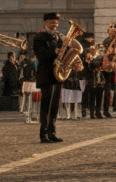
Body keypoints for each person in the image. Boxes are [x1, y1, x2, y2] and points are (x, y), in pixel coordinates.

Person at [33, 12, 82, 144]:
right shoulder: (39, 37)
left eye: (55, 22)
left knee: (54, 105)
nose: (54, 24)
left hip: (57, 75)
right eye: (51, 22)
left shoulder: (59, 36)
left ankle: (52, 132)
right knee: (46, 105)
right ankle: (43, 134)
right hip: (46, 74)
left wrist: (75, 61)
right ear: (45, 23)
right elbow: (40, 55)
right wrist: (54, 51)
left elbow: (67, 53)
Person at [19, 54, 38, 124]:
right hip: (31, 83)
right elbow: (35, 75)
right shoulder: (33, 66)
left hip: (25, 83)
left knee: (27, 99)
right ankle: (31, 115)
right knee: (32, 100)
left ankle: (27, 116)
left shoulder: (24, 66)